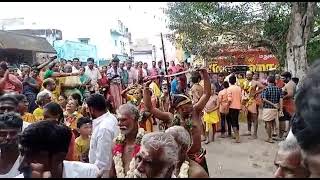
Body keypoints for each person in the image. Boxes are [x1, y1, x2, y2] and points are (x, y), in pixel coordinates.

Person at [143, 68, 211, 174]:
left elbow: (206, 94)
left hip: (198, 158)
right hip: (178, 162)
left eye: (190, 105)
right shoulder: (170, 118)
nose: (190, 108)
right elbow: (150, 108)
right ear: (178, 109)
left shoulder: (195, 112)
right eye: (186, 107)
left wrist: (204, 73)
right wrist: (146, 87)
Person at [17, 120, 99, 178]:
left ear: (59, 157)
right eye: (21, 153)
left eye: (33, 156)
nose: (21, 166)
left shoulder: (88, 174)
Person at [86, 94, 119, 178]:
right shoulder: (111, 117)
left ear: (92, 110)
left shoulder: (103, 128)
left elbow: (102, 160)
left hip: (103, 173)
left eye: (88, 109)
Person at [109, 103, 144, 178]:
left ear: (135, 119)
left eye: (123, 120)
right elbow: (112, 174)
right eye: (118, 120)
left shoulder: (147, 143)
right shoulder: (115, 143)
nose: (119, 124)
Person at [242, 71, 265, 139]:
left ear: (252, 75)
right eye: (247, 75)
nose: (248, 76)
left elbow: (263, 87)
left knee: (254, 117)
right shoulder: (244, 82)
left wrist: (256, 92)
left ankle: (255, 134)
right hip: (246, 101)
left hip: (253, 101)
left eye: (249, 75)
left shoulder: (255, 82)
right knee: (248, 116)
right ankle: (249, 131)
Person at [0, 112, 23, 178]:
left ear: (20, 132)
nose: (8, 137)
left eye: (13, 133)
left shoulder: (27, 160)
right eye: (3, 134)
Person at [261, 75, 283, 143]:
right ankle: (273, 134)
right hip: (275, 109)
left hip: (268, 108)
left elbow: (264, 99)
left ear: (268, 81)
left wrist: (272, 104)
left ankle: (269, 138)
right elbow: (281, 99)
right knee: (272, 122)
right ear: (274, 81)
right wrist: (281, 109)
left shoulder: (266, 88)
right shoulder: (278, 89)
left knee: (268, 124)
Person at [280, 72, 296, 137]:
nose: (282, 79)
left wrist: (282, 98)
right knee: (289, 120)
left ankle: (284, 134)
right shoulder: (291, 83)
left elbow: (290, 94)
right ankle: (287, 134)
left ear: (288, 78)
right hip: (289, 104)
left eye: (283, 78)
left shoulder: (289, 84)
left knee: (285, 120)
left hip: (288, 104)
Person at [227, 75, 242, 143]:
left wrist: (227, 106)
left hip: (232, 107)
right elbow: (241, 98)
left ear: (229, 81)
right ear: (235, 81)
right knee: (236, 121)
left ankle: (237, 137)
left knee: (233, 122)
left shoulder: (229, 89)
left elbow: (229, 100)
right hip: (238, 107)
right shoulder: (239, 88)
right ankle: (237, 135)